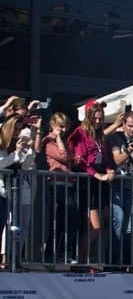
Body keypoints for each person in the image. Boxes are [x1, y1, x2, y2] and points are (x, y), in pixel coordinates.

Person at [67, 100, 118, 267]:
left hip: (99, 183)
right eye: (95, 118)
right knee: (93, 226)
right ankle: (81, 262)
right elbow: (80, 160)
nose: (98, 121)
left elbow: (106, 158)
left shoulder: (100, 135)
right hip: (86, 182)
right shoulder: (80, 133)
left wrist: (109, 170)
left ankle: (85, 261)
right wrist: (96, 174)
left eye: (100, 119)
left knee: (99, 225)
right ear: (88, 117)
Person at [106, 111, 133, 265]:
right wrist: (129, 150)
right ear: (124, 124)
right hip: (116, 186)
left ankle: (121, 262)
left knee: (126, 226)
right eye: (130, 126)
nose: (132, 129)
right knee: (118, 223)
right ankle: (112, 262)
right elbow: (117, 160)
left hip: (130, 186)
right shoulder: (116, 138)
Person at [41, 112, 79, 264]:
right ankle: (51, 254)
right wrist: (57, 138)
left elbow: (72, 159)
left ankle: (61, 252)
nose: (63, 130)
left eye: (65, 127)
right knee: (57, 222)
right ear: (53, 125)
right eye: (60, 127)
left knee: (69, 220)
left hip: (68, 184)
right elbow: (63, 157)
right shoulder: (49, 140)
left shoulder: (63, 141)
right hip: (56, 185)